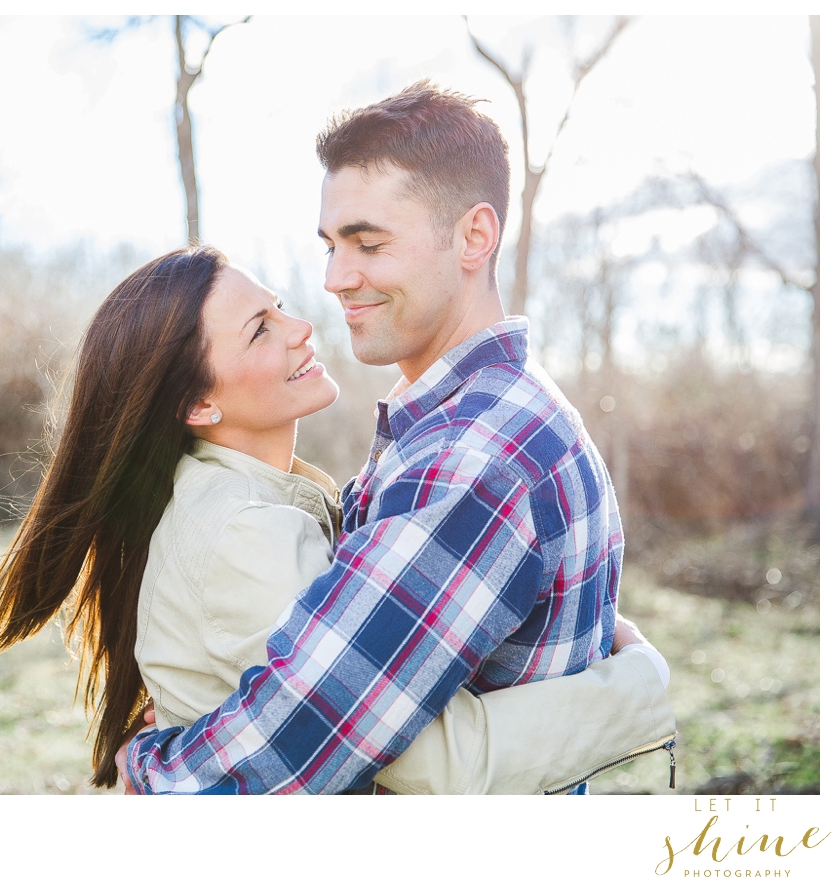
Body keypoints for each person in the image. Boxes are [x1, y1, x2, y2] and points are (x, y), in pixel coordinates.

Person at [118, 81, 668, 795]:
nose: (336, 280)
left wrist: (151, 775)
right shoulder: (472, 416)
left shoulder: (473, 457)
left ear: (474, 237)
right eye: (331, 246)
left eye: (368, 244)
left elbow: (307, 734)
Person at [0, 244, 675, 794]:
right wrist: (635, 693)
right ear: (199, 407)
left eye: (278, 307)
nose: (301, 327)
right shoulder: (245, 533)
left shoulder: (246, 499)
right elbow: (434, 766)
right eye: (260, 331)